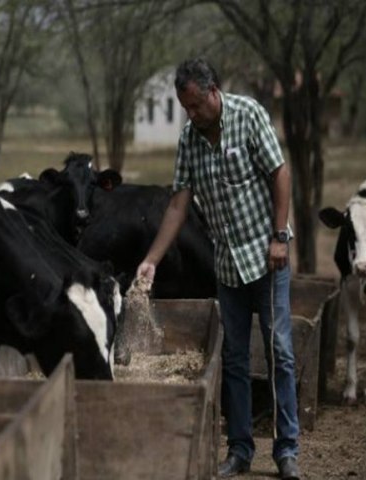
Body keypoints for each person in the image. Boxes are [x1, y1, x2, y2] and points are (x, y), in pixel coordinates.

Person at [136, 58, 300, 480]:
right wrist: (151, 261)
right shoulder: (189, 140)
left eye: (194, 105)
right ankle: (240, 449)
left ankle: (287, 451)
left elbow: (280, 173)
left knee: (280, 351)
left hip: (268, 257)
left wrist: (279, 236)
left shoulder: (248, 115)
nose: (190, 115)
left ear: (213, 92)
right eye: (184, 108)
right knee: (233, 359)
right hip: (227, 264)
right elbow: (178, 203)